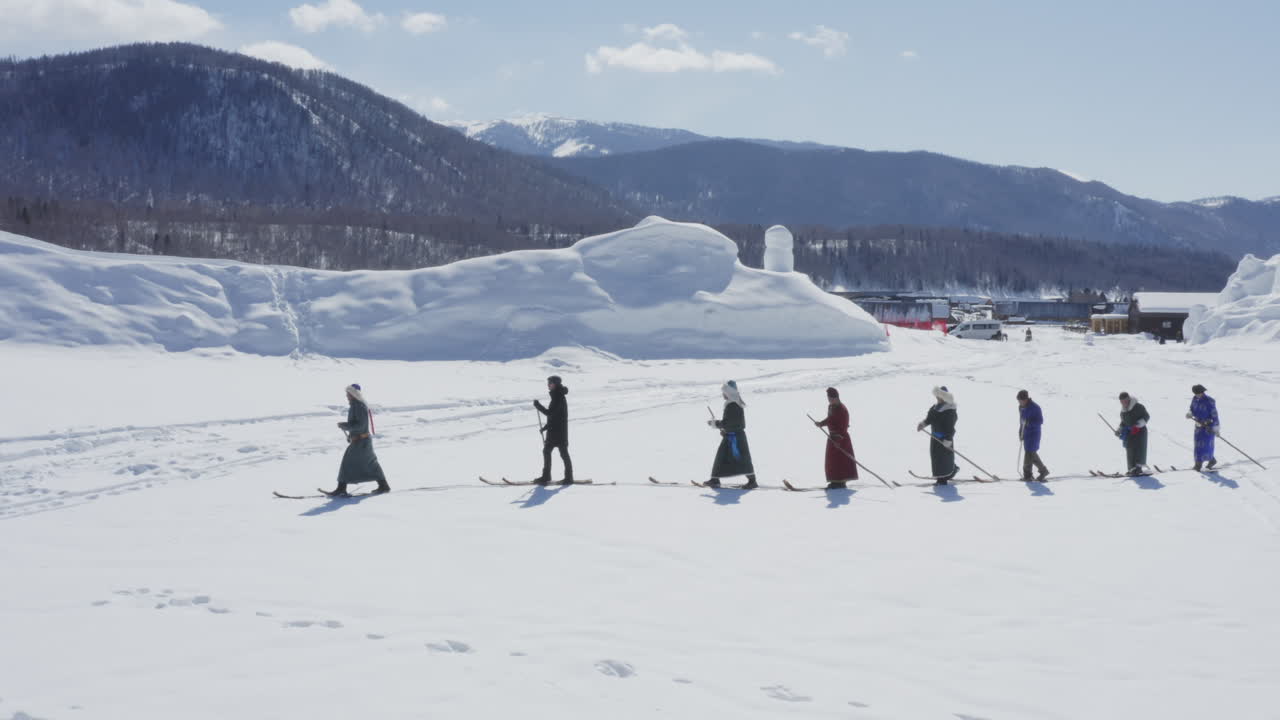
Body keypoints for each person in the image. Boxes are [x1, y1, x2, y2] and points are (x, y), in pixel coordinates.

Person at [328, 383, 390, 497]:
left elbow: (360, 425)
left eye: (348, 393)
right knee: (371, 464)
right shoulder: (356, 405)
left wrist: (345, 426)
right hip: (361, 441)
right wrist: (348, 431)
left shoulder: (358, 406)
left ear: (353, 394)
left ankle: (341, 488)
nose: (346, 396)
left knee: (348, 463)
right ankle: (383, 485)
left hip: (361, 442)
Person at [706, 380, 757, 488]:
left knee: (741, 458)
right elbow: (733, 423)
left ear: (729, 392)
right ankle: (715, 479)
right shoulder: (734, 402)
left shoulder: (733, 405)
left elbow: (729, 423)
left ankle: (752, 482)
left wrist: (715, 423)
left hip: (735, 437)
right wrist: (725, 430)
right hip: (733, 435)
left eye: (724, 392)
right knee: (723, 457)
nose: (723, 394)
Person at [814, 387, 857, 489]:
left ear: (836, 398)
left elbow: (843, 426)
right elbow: (830, 419)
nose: (829, 400)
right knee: (832, 462)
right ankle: (834, 482)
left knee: (841, 461)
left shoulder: (842, 409)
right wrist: (821, 423)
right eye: (828, 398)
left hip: (841, 440)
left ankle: (841, 482)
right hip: (832, 438)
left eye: (831, 398)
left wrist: (838, 440)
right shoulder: (831, 407)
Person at [533, 375, 573, 484]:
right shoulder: (556, 396)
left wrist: (538, 406)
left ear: (555, 384)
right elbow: (554, 417)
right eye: (548, 383)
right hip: (555, 431)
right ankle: (548, 476)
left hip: (558, 432)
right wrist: (545, 428)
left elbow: (550, 413)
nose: (548, 385)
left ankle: (566, 478)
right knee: (549, 451)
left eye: (550, 383)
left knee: (562, 453)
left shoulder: (559, 397)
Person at [917, 386, 958, 484]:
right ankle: (946, 473)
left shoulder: (949, 410)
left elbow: (950, 427)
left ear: (944, 397)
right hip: (935, 438)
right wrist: (922, 424)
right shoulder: (935, 408)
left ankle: (943, 479)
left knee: (944, 459)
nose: (937, 398)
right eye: (937, 396)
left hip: (944, 440)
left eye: (939, 397)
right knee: (936, 459)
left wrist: (948, 439)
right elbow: (929, 419)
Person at [1186, 384, 1220, 471]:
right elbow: (1192, 408)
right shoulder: (1195, 399)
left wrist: (1216, 428)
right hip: (1198, 426)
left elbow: (1214, 415)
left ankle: (1208, 461)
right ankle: (1199, 463)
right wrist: (1190, 413)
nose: (1197, 395)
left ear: (1202, 392)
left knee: (1207, 446)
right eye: (1196, 393)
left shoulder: (1209, 401)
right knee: (1197, 445)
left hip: (1208, 427)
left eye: (1199, 393)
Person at [1017, 390, 1049, 481]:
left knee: (1030, 454)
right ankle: (1040, 472)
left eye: (1021, 400)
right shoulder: (1021, 407)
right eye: (1018, 400)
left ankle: (1029, 475)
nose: (1019, 402)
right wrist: (1020, 432)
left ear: (1026, 399)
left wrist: (1028, 423)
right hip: (1026, 433)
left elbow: (1040, 421)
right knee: (1031, 454)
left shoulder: (1035, 408)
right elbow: (1021, 421)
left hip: (1034, 434)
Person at [1116, 391, 1150, 475]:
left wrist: (1138, 424)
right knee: (1130, 449)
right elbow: (1123, 423)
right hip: (1130, 433)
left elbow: (1146, 416)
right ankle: (1131, 469)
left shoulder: (1138, 407)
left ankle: (1138, 468)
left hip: (1140, 432)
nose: (1124, 403)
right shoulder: (1123, 412)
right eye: (1122, 402)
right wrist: (1119, 430)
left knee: (1139, 449)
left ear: (1128, 399)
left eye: (1125, 401)